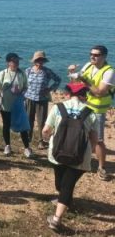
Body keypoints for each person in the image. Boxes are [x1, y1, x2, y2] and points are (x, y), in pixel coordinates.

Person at [42, 82, 98, 231]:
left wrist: (47, 140)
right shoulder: (91, 112)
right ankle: (57, 218)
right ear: (83, 95)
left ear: (68, 94)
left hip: (57, 152)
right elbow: (94, 138)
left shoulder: (58, 108)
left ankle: (62, 203)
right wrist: (89, 151)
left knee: (61, 182)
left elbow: (46, 130)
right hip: (79, 156)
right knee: (68, 184)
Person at [69, 45, 114, 181]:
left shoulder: (109, 72)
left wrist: (83, 80)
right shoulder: (88, 65)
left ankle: (101, 167)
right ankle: (80, 159)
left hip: (98, 110)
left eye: (96, 55)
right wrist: (72, 74)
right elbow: (76, 85)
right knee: (80, 134)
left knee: (98, 139)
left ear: (104, 56)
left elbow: (100, 92)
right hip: (83, 107)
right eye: (91, 54)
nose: (92, 56)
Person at [0, 53, 33, 158]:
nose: (16, 63)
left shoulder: (21, 74)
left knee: (22, 125)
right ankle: (7, 146)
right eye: (14, 61)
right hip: (5, 104)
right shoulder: (2, 73)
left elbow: (26, 86)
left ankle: (27, 148)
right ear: (8, 62)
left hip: (18, 104)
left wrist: (22, 93)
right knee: (6, 125)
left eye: (17, 61)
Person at [25, 51, 61, 150]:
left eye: (42, 60)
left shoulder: (47, 71)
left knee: (42, 122)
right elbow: (24, 83)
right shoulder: (28, 71)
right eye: (38, 60)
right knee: (28, 120)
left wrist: (49, 89)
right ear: (34, 61)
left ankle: (41, 141)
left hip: (42, 100)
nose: (40, 62)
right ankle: (28, 139)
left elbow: (58, 79)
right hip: (29, 99)